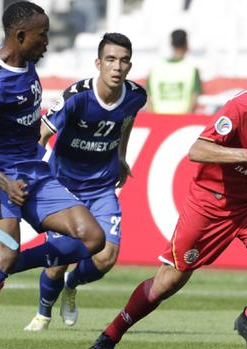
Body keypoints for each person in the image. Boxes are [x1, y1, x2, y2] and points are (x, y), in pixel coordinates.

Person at [86, 57, 247, 349]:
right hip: (211, 203)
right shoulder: (242, 109)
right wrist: (244, 154)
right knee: (169, 281)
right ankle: (110, 335)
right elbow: (197, 150)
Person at [0, 1, 105, 349]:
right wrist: (1, 182)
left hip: (34, 172)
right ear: (20, 35)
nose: (47, 42)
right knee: (4, 254)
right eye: (42, 36)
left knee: (93, 238)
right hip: (1, 176)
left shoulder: (20, 60)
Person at [22, 33, 147, 332]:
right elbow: (42, 133)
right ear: (98, 63)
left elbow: (126, 121)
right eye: (111, 60)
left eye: (124, 61)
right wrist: (30, 174)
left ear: (130, 65)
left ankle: (72, 284)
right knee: (57, 262)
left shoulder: (136, 96)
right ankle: (43, 314)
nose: (117, 67)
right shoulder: (76, 97)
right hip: (64, 187)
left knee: (106, 257)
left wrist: (120, 156)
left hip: (102, 187)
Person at [146, 29, 202, 114]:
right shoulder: (192, 69)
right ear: (186, 44)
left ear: (171, 44)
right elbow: (194, 97)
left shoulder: (155, 68)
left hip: (158, 120)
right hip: (182, 121)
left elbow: (148, 97)